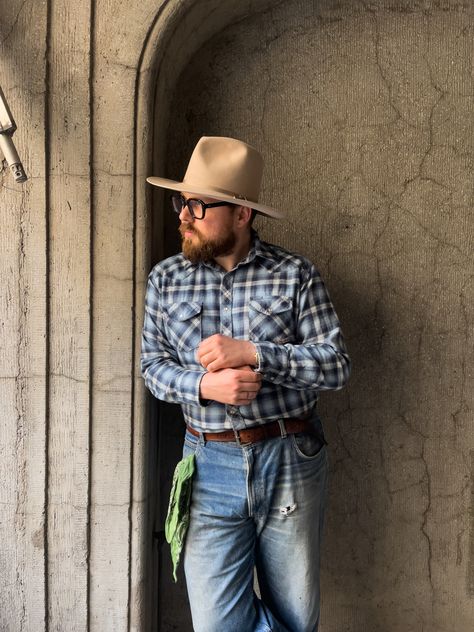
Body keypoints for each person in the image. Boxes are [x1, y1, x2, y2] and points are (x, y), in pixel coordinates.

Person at [141, 136, 350, 632]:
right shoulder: (166, 279)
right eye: (181, 201)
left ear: (241, 214)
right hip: (207, 464)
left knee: (295, 616)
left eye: (197, 204)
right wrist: (202, 387)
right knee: (217, 624)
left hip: (290, 458)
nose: (183, 216)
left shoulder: (296, 275)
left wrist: (257, 353)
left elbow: (336, 365)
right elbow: (152, 366)